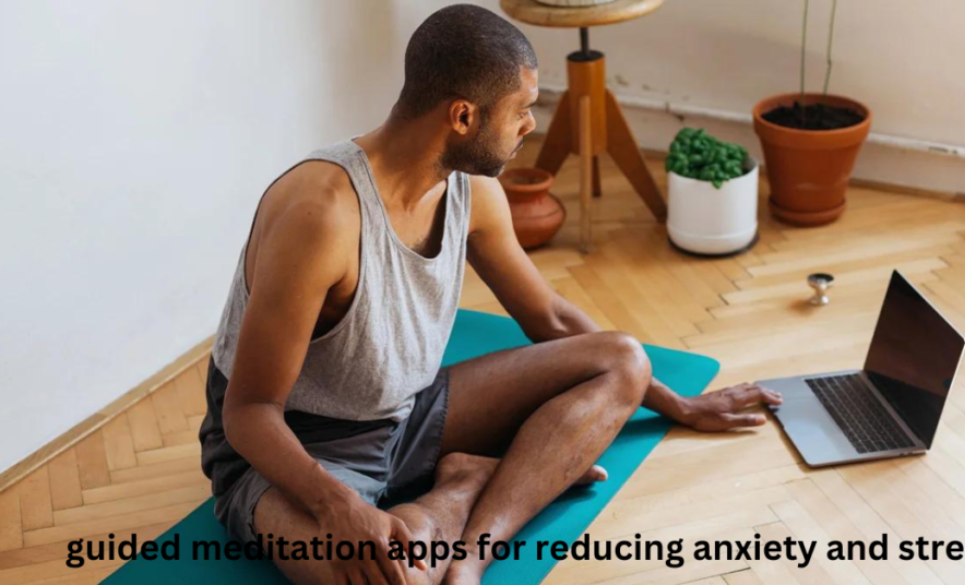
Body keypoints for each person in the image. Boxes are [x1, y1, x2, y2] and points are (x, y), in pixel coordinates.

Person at [198, 5, 782, 585]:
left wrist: (675, 403)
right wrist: (336, 504)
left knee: (623, 359)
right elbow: (247, 414)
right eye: (521, 110)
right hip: (295, 452)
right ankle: (464, 486)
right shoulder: (322, 214)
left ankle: (475, 545)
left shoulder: (471, 189)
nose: (530, 125)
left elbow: (549, 315)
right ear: (462, 116)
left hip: (405, 415)